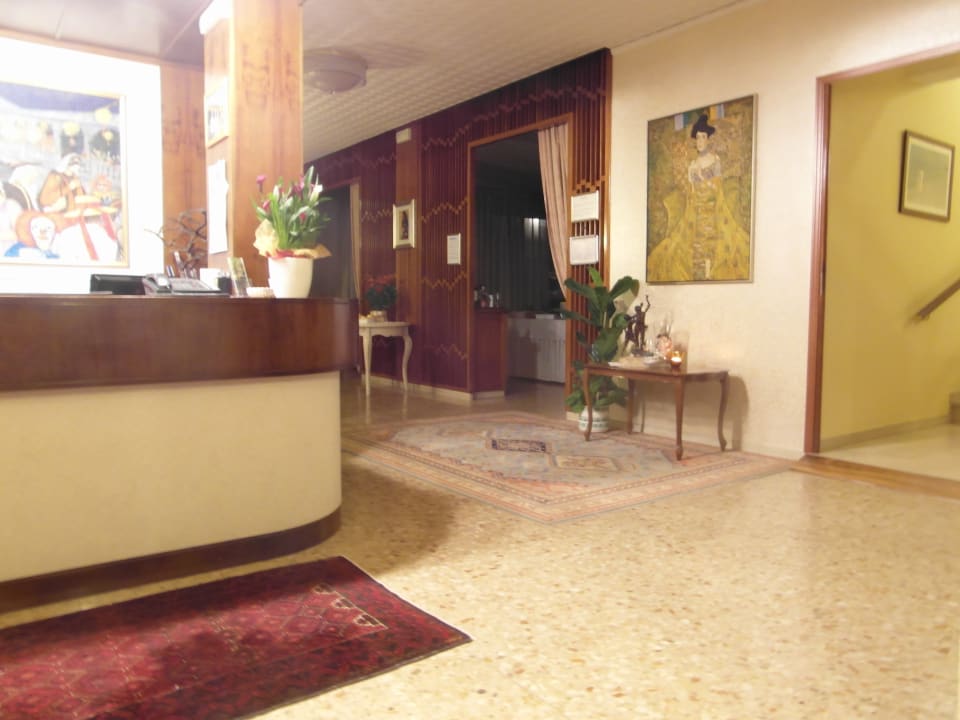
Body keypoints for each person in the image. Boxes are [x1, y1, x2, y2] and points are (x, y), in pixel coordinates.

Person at [647, 113, 751, 281]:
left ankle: (710, 271)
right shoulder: (692, 165)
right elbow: (691, 192)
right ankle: (697, 271)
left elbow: (717, 187)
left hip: (713, 206)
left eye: (703, 137)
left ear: (708, 140)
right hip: (696, 208)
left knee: (722, 237)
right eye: (697, 138)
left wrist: (705, 182)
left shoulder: (715, 160)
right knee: (681, 243)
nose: (700, 141)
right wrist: (696, 191)